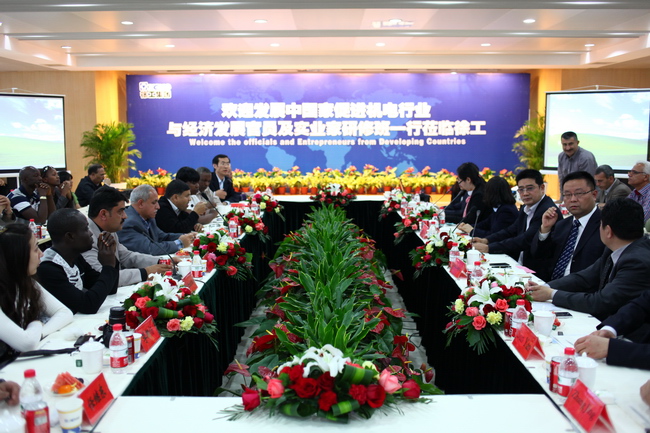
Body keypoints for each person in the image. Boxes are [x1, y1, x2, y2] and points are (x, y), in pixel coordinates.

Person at [528, 198, 650, 321]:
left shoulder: (637, 262)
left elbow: (600, 302)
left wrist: (551, 294)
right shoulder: (614, 249)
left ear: (608, 231)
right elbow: (584, 278)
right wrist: (544, 286)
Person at [0, 224, 73, 356]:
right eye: (35, 249)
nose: (41, 253)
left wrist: (39, 333)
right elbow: (26, 344)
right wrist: (36, 324)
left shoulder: (25, 282)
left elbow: (65, 313)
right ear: (18, 256)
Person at [472, 169, 560, 272]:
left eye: (530, 188)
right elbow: (511, 230)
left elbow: (525, 240)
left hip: (537, 270)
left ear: (542, 188)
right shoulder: (526, 207)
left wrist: (489, 248)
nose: (525, 193)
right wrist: (486, 240)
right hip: (521, 264)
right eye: (521, 189)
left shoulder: (547, 211)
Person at [82, 186, 171, 287]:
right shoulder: (86, 238)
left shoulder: (109, 230)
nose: (125, 216)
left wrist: (161, 261)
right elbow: (100, 276)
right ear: (103, 214)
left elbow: (127, 256)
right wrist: (145, 273)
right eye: (120, 211)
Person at [37, 209, 119, 314]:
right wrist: (108, 266)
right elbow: (88, 305)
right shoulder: (48, 268)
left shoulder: (74, 257)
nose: (90, 233)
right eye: (86, 229)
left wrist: (110, 257)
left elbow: (110, 289)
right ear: (70, 236)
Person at [530, 171, 605, 282]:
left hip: (583, 289)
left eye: (579, 193)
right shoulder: (562, 225)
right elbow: (539, 255)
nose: (573, 199)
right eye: (568, 195)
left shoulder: (605, 225)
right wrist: (545, 229)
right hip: (551, 286)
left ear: (594, 195)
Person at [118, 185, 194, 254]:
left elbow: (162, 237)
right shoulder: (128, 223)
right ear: (141, 203)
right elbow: (150, 249)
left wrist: (186, 236)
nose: (158, 207)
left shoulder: (149, 217)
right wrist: (179, 243)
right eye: (154, 203)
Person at [452, 162, 489, 227]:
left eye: (460, 180)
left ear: (468, 180)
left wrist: (444, 216)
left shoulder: (479, 195)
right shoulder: (469, 190)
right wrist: (441, 211)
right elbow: (460, 209)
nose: (458, 183)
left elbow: (470, 220)